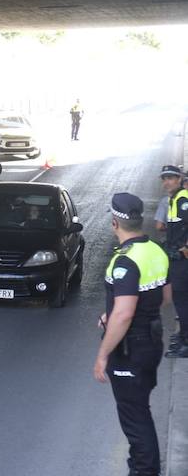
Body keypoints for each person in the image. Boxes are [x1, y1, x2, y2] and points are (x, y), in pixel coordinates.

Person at [94, 192, 170, 476]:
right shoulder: (154, 250)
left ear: (115, 222)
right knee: (139, 409)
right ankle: (139, 466)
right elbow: (163, 296)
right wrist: (111, 312)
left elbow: (125, 314)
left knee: (135, 417)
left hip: (130, 350)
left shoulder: (125, 261)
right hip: (152, 343)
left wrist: (102, 356)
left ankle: (144, 470)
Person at [161, 165, 188, 357]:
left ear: (179, 179)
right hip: (176, 258)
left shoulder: (183, 199)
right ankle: (183, 336)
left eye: (171, 178)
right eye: (164, 178)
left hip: (182, 260)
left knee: (182, 300)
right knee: (180, 300)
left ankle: (186, 343)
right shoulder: (175, 199)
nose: (167, 182)